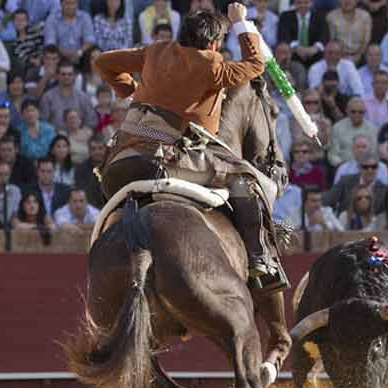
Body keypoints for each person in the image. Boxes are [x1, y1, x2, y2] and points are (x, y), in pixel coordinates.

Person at [93, 4, 281, 279]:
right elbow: (255, 64)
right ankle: (258, 258)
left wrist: (132, 92)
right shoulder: (212, 64)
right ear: (214, 44)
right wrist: (240, 23)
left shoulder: (156, 50)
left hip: (117, 164)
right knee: (244, 179)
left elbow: (102, 62)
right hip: (160, 161)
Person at [40, 60, 98, 132]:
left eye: (70, 74)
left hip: (78, 138)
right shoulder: (48, 97)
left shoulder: (83, 97)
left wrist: (81, 133)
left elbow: (92, 121)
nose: (66, 77)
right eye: (63, 74)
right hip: (55, 137)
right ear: (57, 76)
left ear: (74, 76)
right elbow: (43, 122)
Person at [327, 97, 378, 168]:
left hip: (366, 167)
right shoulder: (337, 127)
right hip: (342, 166)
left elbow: (373, 152)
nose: (357, 114)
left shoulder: (372, 128)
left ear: (365, 112)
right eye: (353, 112)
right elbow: (333, 154)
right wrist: (342, 165)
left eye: (361, 112)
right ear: (347, 111)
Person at [277, 0, 329, 67]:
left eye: (306, 2)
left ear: (311, 3)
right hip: (293, 53)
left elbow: (324, 35)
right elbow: (284, 35)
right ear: (294, 4)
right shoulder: (286, 16)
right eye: (299, 2)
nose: (302, 5)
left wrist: (315, 48)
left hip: (315, 53)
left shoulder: (320, 16)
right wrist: (296, 48)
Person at [44, 0, 95, 64]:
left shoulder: (85, 17)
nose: (71, 6)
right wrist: (64, 55)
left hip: (81, 57)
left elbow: (90, 40)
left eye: (73, 3)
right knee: (50, 55)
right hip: (58, 58)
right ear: (61, 4)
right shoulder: (51, 19)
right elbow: (50, 43)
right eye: (68, 3)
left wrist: (79, 52)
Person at [74, 134, 105, 209]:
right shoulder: (80, 169)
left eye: (100, 148)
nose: (97, 152)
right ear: (89, 151)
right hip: (90, 209)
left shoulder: (112, 166)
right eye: (93, 149)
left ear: (106, 149)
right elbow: (83, 193)